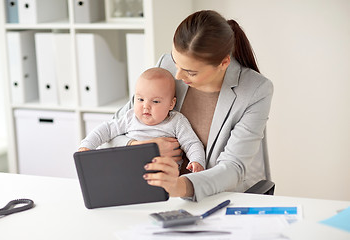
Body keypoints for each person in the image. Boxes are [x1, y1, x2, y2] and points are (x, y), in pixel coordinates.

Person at [109, 10, 274, 201]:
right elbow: (113, 132)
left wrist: (179, 186)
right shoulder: (167, 67)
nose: (177, 76)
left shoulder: (256, 90)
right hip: (157, 193)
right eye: (175, 61)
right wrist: (142, 146)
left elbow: (232, 168)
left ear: (223, 63)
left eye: (190, 72)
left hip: (214, 198)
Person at [78, 67, 205, 173]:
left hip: (164, 177)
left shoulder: (176, 121)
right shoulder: (130, 117)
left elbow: (192, 143)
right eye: (140, 99)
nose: (146, 106)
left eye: (155, 101)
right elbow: (106, 129)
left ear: (171, 104)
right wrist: (87, 146)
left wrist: (197, 161)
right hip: (129, 171)